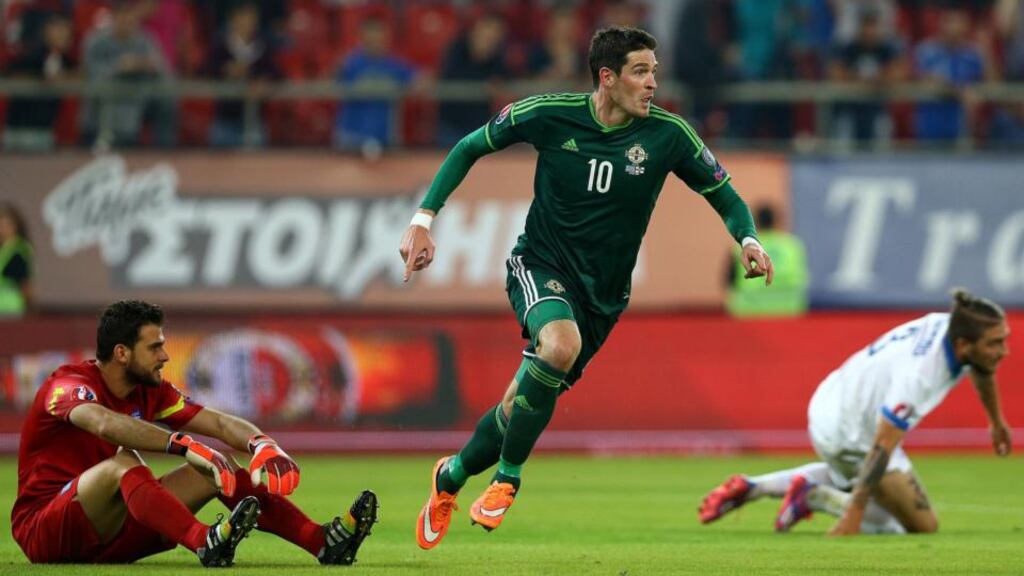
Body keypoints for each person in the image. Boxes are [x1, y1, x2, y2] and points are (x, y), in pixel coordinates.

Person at [400, 26, 774, 550]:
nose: (652, 84)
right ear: (608, 77)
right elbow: (469, 146)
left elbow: (725, 194)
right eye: (641, 72)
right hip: (540, 263)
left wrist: (748, 239)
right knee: (559, 343)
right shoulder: (549, 113)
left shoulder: (669, 135)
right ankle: (506, 480)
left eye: (654, 72)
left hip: (604, 296)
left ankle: (451, 477)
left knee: (516, 407)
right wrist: (423, 219)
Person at [12, 300, 378, 565]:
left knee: (218, 468)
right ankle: (204, 541)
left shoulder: (150, 391)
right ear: (122, 353)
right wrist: (181, 445)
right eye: (154, 347)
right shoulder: (67, 384)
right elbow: (104, 422)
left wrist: (262, 443)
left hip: (112, 532)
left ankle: (321, 542)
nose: (165, 356)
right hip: (45, 529)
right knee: (124, 463)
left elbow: (218, 423)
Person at [699, 289, 1012, 535]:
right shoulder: (921, 376)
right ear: (962, 345)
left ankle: (758, 487)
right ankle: (815, 496)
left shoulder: (949, 324)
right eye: (995, 343)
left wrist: (996, 422)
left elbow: (981, 369)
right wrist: (853, 514)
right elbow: (882, 445)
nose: (1004, 350)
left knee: (848, 476)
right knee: (920, 525)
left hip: (830, 402)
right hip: (851, 433)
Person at [333, 14, 419, 151]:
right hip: (352, 137)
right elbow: (330, 84)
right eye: (370, 38)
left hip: (385, 137)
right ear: (362, 38)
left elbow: (419, 81)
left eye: (378, 37)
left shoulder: (394, 65)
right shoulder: (350, 64)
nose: (374, 42)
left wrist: (406, 88)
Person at [3, 13, 75, 151]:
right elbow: (10, 74)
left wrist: (64, 77)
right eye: (58, 30)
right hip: (18, 128)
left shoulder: (67, 62)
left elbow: (78, 76)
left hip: (44, 130)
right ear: (47, 32)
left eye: (67, 31)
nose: (63, 35)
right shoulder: (30, 55)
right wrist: (41, 78)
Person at [725, 204, 809, 317]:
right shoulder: (793, 245)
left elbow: (728, 281)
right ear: (777, 221)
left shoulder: (741, 247)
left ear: (754, 222)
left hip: (749, 314)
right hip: (788, 312)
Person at [0, 202, 34, 317]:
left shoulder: (19, 251)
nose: (3, 229)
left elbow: (25, 283)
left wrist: (30, 309)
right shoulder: (3, 248)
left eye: (6, 225)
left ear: (15, 226)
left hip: (12, 309)